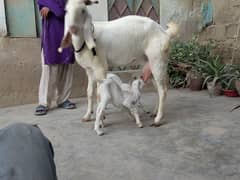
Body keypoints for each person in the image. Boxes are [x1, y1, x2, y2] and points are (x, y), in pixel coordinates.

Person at [35, 0, 76, 116]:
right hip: (51, 34)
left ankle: (63, 99)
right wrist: (57, 8)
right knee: (49, 69)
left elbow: (66, 11)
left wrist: (52, 8)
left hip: (66, 33)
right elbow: (55, 9)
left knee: (66, 68)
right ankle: (43, 103)